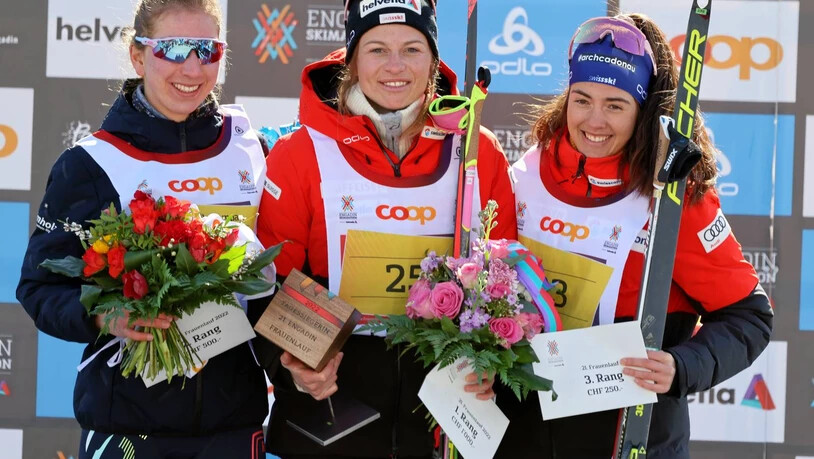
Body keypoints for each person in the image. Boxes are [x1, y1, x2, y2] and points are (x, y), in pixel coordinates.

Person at [496, 13, 773, 458]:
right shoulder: (527, 173)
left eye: (615, 105)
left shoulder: (673, 196)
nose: (594, 121)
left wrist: (682, 366)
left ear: (643, 111)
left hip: (630, 438)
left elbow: (749, 316)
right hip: (525, 434)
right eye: (582, 99)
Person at [254, 0, 517, 457]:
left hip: (438, 423)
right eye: (377, 49)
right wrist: (293, 363)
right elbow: (269, 284)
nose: (395, 67)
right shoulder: (301, 152)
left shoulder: (478, 152)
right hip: (329, 418)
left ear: (433, 60)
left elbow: (507, 281)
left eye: (412, 49)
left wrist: (495, 358)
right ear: (352, 58)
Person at [16, 1, 270, 457]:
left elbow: (274, 280)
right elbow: (40, 288)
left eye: (207, 50)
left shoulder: (250, 149)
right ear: (138, 56)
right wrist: (103, 316)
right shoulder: (92, 163)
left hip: (233, 425)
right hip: (129, 427)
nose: (192, 67)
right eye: (173, 48)